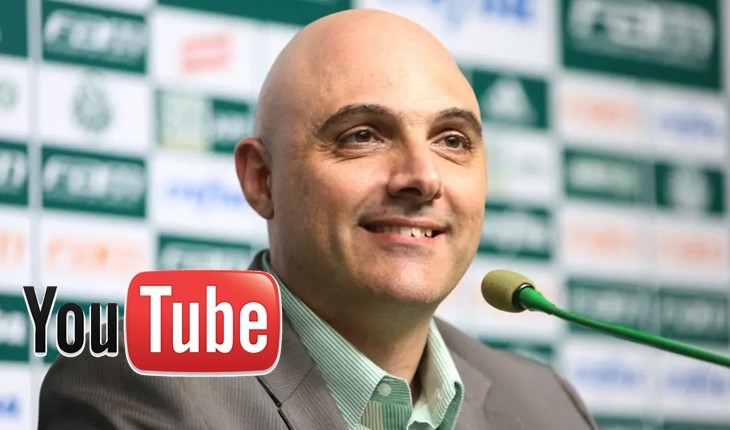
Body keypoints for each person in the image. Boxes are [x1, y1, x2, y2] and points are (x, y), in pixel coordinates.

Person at [39, 9, 599, 430]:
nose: (423, 177)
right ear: (262, 179)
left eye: (452, 140)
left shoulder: (548, 405)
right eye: (363, 135)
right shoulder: (140, 381)